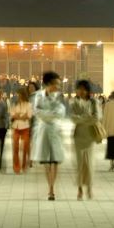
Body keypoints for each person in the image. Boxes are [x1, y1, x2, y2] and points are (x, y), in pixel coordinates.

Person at [31, 71, 66, 200]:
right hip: (43, 131)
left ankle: (52, 188)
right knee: (46, 162)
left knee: (55, 161)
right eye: (56, 83)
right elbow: (36, 111)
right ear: (49, 83)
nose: (58, 86)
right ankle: (50, 187)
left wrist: (47, 115)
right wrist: (51, 114)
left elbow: (61, 112)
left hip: (55, 130)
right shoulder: (38, 96)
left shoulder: (59, 97)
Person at [69, 80, 99, 199]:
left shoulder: (93, 102)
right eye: (79, 89)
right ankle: (80, 189)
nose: (81, 91)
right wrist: (86, 118)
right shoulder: (74, 103)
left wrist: (81, 119)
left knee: (90, 164)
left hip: (90, 137)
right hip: (78, 137)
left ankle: (90, 188)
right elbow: (72, 118)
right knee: (79, 164)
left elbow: (97, 118)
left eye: (83, 89)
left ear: (88, 90)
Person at [9, 87, 32, 172]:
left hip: (25, 127)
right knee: (15, 147)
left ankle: (24, 165)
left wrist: (18, 115)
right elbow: (12, 114)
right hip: (16, 127)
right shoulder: (14, 104)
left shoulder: (28, 105)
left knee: (25, 146)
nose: (18, 96)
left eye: (19, 95)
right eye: (17, 95)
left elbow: (28, 116)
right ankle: (16, 166)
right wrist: (21, 115)